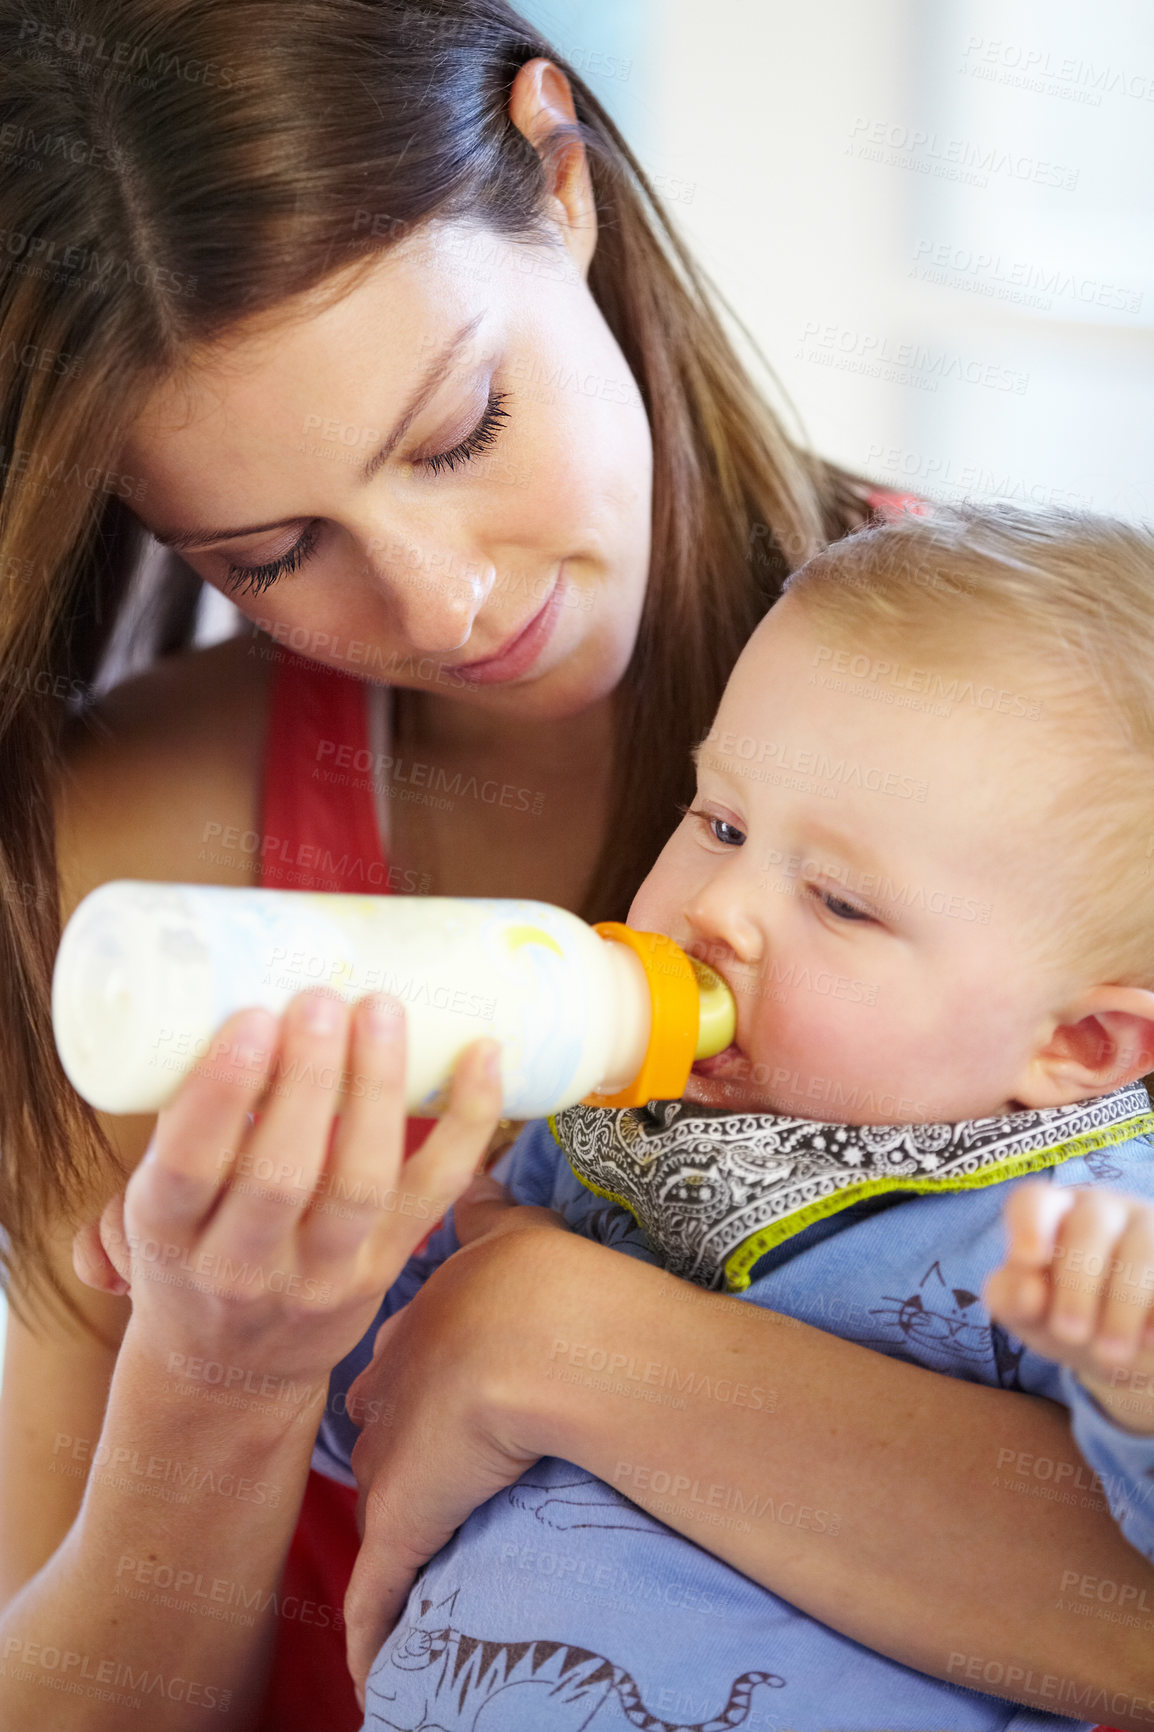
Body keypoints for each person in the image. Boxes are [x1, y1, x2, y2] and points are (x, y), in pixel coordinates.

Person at [0, 0, 1147, 1725]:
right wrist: (220, 1375)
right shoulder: (158, 863)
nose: (441, 604)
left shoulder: (1065, 779)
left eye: (458, 427)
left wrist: (562, 1342)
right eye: (272, 551)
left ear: (562, 174)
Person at [313, 504, 1154, 1729]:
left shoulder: (1076, 1235)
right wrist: (302, 1266)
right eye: (719, 823)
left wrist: (1134, 1389)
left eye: (839, 903)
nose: (716, 911)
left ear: (1074, 1046)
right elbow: (383, 1419)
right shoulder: (601, 1124)